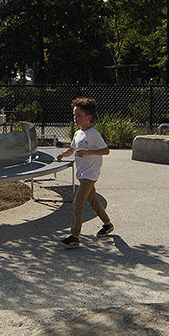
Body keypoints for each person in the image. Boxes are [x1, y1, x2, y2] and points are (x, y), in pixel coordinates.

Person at [56, 96, 113, 246]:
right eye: (74, 115)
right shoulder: (77, 133)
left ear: (88, 117)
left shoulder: (93, 134)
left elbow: (106, 151)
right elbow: (72, 149)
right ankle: (107, 224)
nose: (75, 118)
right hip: (82, 174)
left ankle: (74, 237)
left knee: (78, 202)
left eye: (79, 116)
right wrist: (63, 154)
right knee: (93, 200)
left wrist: (88, 152)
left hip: (90, 174)